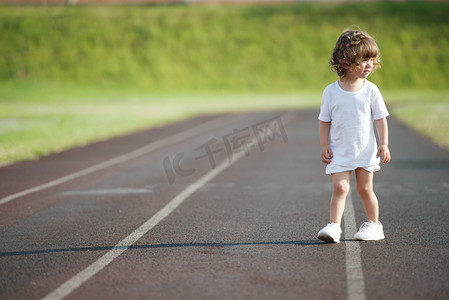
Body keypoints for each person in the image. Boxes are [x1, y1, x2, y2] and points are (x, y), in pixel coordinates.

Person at [317, 30, 391, 243]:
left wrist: (384, 144)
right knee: (340, 187)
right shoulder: (330, 92)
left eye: (371, 59)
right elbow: (324, 120)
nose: (369, 64)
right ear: (345, 62)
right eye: (363, 60)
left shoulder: (371, 91)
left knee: (364, 188)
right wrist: (324, 145)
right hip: (340, 150)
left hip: (365, 149)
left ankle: (374, 225)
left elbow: (380, 119)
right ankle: (334, 227)